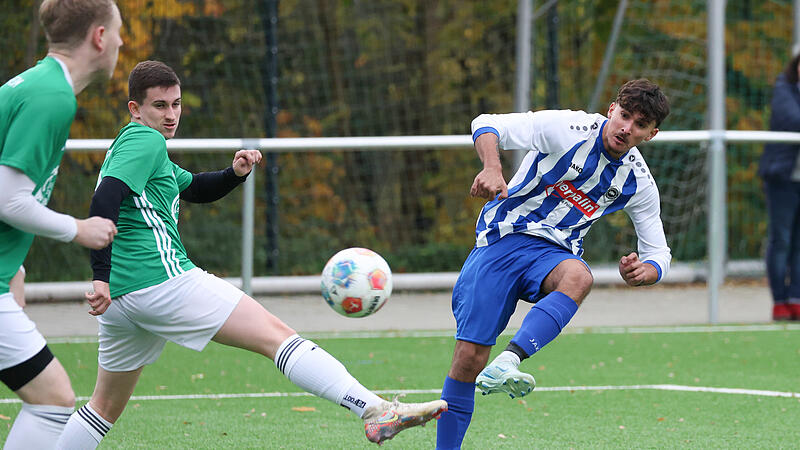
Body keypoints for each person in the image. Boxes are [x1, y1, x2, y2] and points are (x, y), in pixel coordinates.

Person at [54, 60, 446, 448]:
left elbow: (193, 188)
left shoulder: (134, 147)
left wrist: (234, 173)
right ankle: (375, 411)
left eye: (176, 104)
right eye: (160, 106)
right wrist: (98, 275)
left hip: (124, 299)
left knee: (102, 407)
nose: (171, 114)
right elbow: (104, 199)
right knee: (278, 338)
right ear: (135, 109)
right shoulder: (147, 141)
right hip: (161, 281)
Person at [435, 79, 672, 449]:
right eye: (624, 116)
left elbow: (659, 251)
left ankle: (510, 360)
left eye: (640, 124)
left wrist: (648, 271)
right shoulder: (569, 128)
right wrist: (493, 168)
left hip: (554, 254)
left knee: (579, 277)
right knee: (468, 359)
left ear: (651, 134)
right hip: (503, 239)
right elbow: (486, 123)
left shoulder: (638, 182)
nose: (627, 128)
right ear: (612, 109)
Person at [0, 1, 122, 448]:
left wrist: (12, 266)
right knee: (52, 400)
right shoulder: (52, 97)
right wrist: (80, 229)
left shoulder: (36, 83)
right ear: (99, 37)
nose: (123, 43)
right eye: (119, 32)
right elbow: (7, 198)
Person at [759, 53, 800, 321]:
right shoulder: (783, 88)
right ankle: (780, 301)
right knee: (781, 239)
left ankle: (796, 298)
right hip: (782, 179)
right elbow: (792, 119)